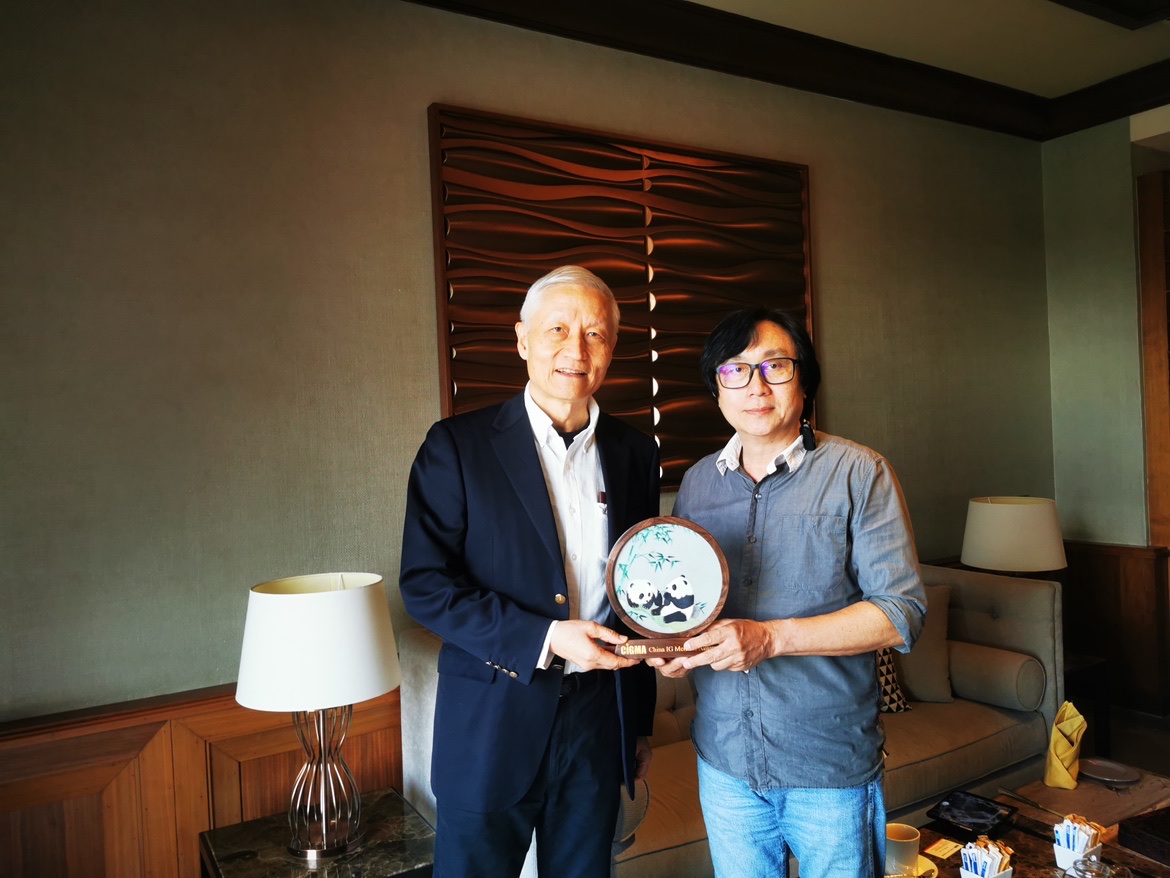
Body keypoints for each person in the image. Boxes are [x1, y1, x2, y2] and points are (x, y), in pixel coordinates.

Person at [400, 265, 659, 878]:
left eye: (594, 334)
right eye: (557, 330)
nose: (576, 351)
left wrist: (639, 723)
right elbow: (426, 587)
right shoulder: (456, 446)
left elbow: (638, 589)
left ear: (612, 349)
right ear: (522, 340)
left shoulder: (634, 452)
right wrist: (546, 636)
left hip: (598, 722)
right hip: (492, 720)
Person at [649, 307, 926, 878]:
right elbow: (693, 603)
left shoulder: (859, 472)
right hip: (723, 759)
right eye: (735, 370)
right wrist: (675, 647)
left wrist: (771, 638)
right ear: (717, 389)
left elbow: (901, 612)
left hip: (827, 763)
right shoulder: (697, 484)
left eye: (774, 366)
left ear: (804, 381)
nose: (756, 387)